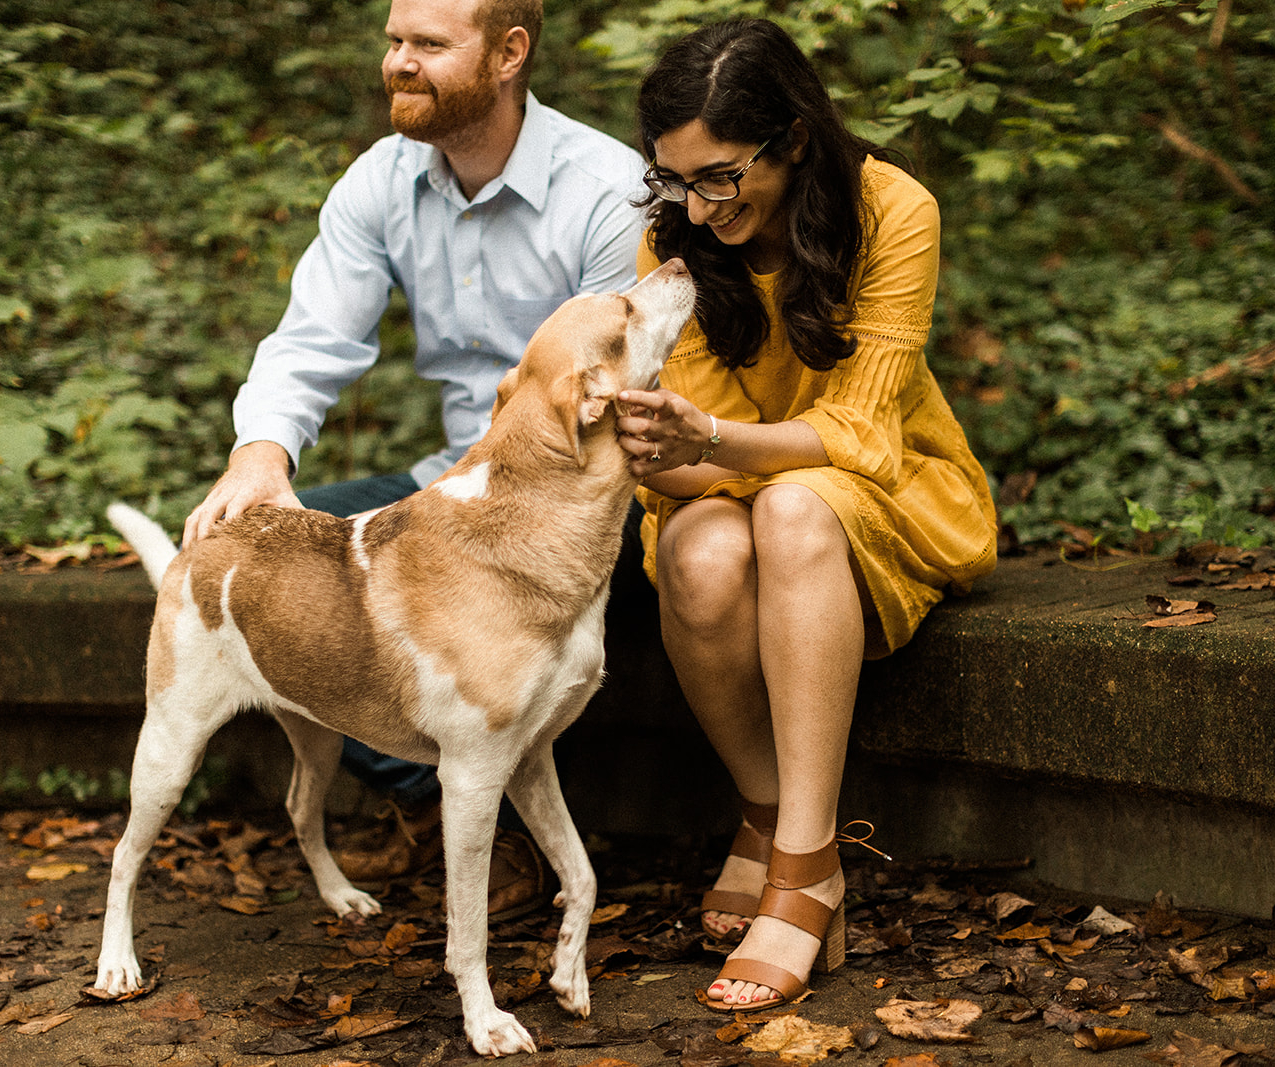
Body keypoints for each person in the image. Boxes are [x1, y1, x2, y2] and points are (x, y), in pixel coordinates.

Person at [180, 0, 647, 917]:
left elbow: (622, 388)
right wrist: (260, 454)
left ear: (509, 53)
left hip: (576, 501)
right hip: (451, 487)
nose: (399, 62)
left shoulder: (605, 188)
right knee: (263, 561)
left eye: (430, 45)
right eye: (396, 41)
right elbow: (313, 336)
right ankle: (448, 805)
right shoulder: (380, 181)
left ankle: (493, 801)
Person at [614, 19, 998, 1011]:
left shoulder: (889, 208)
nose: (694, 208)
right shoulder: (682, 235)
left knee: (790, 508)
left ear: (789, 138)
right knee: (697, 553)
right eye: (673, 180)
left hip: (883, 489)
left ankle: (804, 864)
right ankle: (761, 807)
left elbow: (859, 433)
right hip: (740, 482)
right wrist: (673, 448)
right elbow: (685, 474)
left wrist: (712, 444)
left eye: (717, 178)